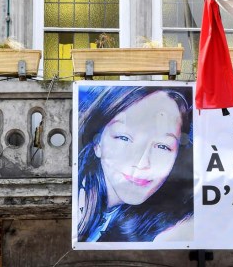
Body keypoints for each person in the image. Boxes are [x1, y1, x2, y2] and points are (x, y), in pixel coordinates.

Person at [77, 85, 194, 243]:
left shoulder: (164, 223)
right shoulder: (74, 204)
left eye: (162, 146)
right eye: (124, 138)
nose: (142, 162)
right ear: (97, 142)